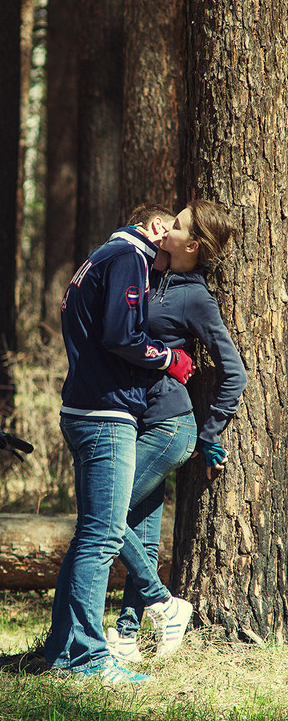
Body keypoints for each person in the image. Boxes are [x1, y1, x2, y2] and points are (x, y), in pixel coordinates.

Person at [44, 205, 194, 685]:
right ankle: (91, 658)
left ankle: (64, 651)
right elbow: (120, 335)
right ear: (153, 229)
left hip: (82, 409)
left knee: (94, 531)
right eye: (168, 232)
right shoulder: (129, 256)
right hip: (106, 414)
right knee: (103, 535)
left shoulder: (98, 257)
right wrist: (169, 357)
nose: (167, 249)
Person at [106, 199, 247, 664]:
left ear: (193, 244)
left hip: (171, 428)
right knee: (141, 533)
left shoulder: (196, 297)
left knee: (105, 516)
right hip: (142, 421)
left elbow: (234, 371)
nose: (168, 228)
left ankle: (166, 605)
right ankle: (127, 634)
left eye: (179, 225)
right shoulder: (155, 270)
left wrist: (209, 435)